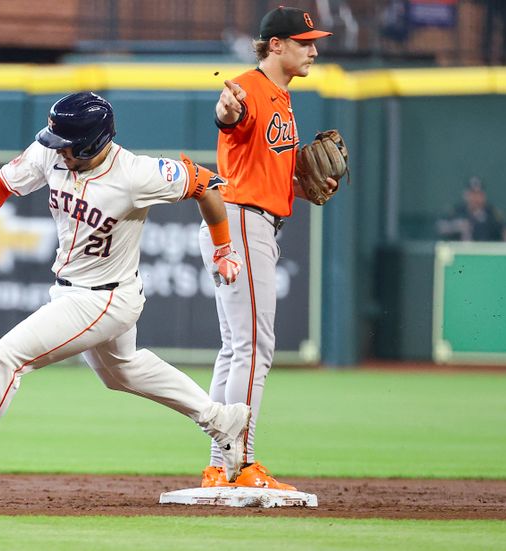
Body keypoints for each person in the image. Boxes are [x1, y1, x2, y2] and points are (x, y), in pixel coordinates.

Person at [0, 92, 251, 492]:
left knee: (7, 357)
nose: (56, 150)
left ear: (92, 144)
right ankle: (222, 419)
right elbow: (1, 182)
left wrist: (223, 247)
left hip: (105, 297)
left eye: (66, 146)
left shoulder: (137, 174)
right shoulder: (52, 151)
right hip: (73, 290)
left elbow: (207, 185)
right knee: (122, 372)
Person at [198, 6, 336, 490]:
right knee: (254, 349)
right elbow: (229, 116)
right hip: (241, 222)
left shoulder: (282, 96)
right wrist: (226, 112)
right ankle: (242, 463)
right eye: (304, 42)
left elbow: (258, 167)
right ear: (275, 44)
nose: (314, 50)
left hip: (245, 220)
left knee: (236, 349)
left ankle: (220, 465)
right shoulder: (249, 89)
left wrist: (298, 186)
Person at [436, 176, 506, 242]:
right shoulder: (458, 210)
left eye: (479, 194)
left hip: (485, 253)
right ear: (466, 194)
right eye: (472, 194)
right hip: (462, 253)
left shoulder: (490, 211)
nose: (475, 198)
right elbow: (441, 227)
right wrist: (456, 226)